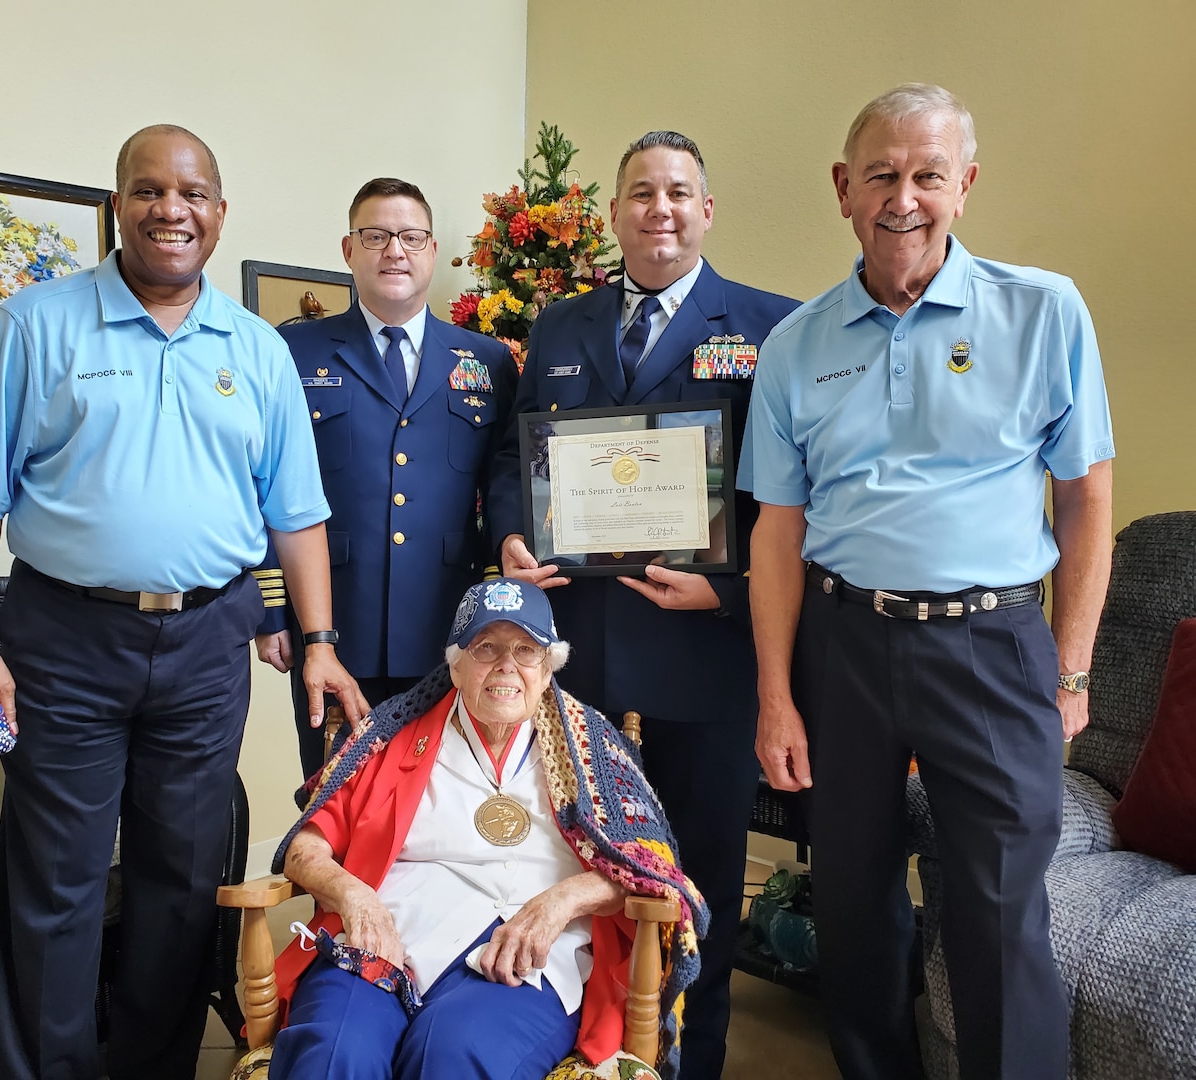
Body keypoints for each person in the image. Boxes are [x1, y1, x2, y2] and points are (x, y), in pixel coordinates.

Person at [0, 124, 367, 1080]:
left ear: (219, 213)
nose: (169, 209)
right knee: (58, 878)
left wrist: (318, 639)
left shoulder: (258, 350)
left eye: (191, 193)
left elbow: (295, 517)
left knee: (181, 880)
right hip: (63, 637)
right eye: (147, 190)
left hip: (210, 639)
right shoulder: (36, 324)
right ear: (118, 206)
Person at [743, 83, 1114, 1079]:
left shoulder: (1044, 312)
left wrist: (1072, 672)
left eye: (927, 176)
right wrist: (777, 698)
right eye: (881, 176)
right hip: (844, 646)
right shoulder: (794, 344)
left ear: (966, 186)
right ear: (843, 189)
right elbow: (777, 536)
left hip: (992, 648)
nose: (903, 198)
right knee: (855, 909)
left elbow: (1084, 500)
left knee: (999, 914)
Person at [487, 130, 799, 1076]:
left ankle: (686, 1060)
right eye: (640, 193)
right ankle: (579, 1043)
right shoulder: (560, 326)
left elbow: (794, 498)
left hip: (705, 645)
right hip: (580, 650)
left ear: (706, 211)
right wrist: (510, 532)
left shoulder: (770, 326)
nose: (659, 208)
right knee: (568, 852)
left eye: (678, 193)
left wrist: (731, 589)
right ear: (615, 212)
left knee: (698, 868)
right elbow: (514, 458)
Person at [263, 578, 707, 1080]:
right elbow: (304, 847)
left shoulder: (595, 751)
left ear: (548, 668)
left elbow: (649, 869)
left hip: (521, 960)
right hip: (385, 941)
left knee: (454, 1056)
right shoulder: (389, 736)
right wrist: (354, 897)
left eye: (526, 650)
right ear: (454, 664)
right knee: (332, 1054)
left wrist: (564, 900)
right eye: (486, 647)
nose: (506, 666)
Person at [253, 178, 518, 779]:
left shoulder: (486, 361)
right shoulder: (292, 351)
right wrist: (271, 611)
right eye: (376, 236)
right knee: (335, 798)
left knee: (446, 799)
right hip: (334, 625)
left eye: (411, 236)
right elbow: (263, 483)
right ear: (349, 250)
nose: (394, 250)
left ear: (430, 250)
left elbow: (505, 482)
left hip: (451, 626)